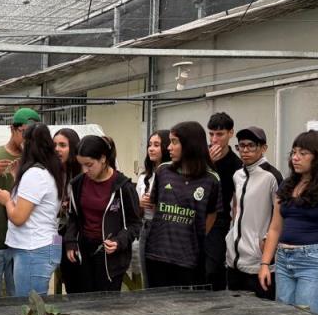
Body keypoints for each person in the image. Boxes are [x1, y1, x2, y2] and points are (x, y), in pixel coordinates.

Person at [258, 131, 318, 315]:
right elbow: (276, 227)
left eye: (303, 153)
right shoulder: (286, 185)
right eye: (293, 152)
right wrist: (265, 264)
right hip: (284, 260)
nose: (295, 158)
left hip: (317, 261)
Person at [143, 121, 222, 288]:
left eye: (174, 142)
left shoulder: (211, 180)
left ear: (190, 145)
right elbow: (156, 206)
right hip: (156, 255)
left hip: (188, 260)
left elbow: (211, 214)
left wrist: (192, 234)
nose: (169, 148)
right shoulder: (163, 171)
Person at [63, 135, 141, 292]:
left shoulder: (123, 187)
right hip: (83, 253)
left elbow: (135, 224)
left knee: (105, 306)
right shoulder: (78, 184)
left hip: (109, 258)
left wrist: (119, 241)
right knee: (82, 303)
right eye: (82, 165)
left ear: (103, 159)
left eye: (89, 165)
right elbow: (73, 218)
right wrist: (71, 241)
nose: (85, 170)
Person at [0, 122, 63, 296]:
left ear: (27, 145)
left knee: (30, 307)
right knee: (35, 305)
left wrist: (7, 200)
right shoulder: (50, 170)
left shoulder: (34, 174)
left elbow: (18, 217)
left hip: (33, 249)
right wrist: (17, 177)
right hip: (45, 244)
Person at [0, 108, 41, 297]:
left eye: (33, 134)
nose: (27, 139)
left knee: (20, 297)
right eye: (24, 133)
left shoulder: (34, 161)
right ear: (12, 129)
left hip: (21, 241)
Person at [225, 127, 283, 299]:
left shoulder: (272, 176)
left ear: (263, 148)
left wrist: (266, 241)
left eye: (251, 146)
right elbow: (237, 208)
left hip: (258, 262)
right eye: (241, 146)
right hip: (233, 260)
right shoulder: (237, 175)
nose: (245, 150)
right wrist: (231, 235)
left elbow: (280, 215)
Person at [206, 112, 242, 290]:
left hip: (220, 221)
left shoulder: (236, 165)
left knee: (214, 267)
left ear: (230, 133)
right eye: (211, 134)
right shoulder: (201, 157)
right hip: (197, 217)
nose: (214, 139)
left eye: (219, 134)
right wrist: (208, 164)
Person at [135, 129, 169, 282]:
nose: (151, 148)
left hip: (164, 227)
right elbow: (135, 212)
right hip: (146, 226)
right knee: (146, 274)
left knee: (162, 274)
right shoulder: (143, 177)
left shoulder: (172, 175)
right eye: (150, 144)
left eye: (156, 145)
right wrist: (140, 204)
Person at [53, 128, 82, 292]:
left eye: (62, 145)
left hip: (76, 233)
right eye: (55, 145)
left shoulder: (81, 173)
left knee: (75, 274)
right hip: (57, 231)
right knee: (58, 266)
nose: (57, 149)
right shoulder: (52, 172)